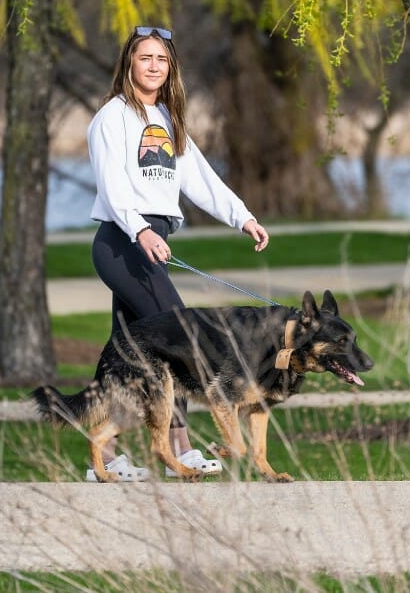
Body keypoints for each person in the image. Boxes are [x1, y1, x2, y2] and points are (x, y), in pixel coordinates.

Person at [84, 25, 270, 481]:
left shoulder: (167, 119)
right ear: (129, 63)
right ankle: (181, 447)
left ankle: (102, 456)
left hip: (148, 241)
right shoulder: (112, 117)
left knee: (128, 352)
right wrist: (141, 229)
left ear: (170, 69)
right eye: (145, 58)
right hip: (123, 242)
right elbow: (113, 185)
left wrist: (242, 216)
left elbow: (201, 179)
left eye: (161, 60)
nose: (153, 66)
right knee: (182, 338)